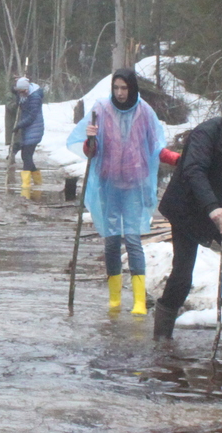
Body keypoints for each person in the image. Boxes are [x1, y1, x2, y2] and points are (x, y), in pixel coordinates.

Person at [153, 104, 222, 343]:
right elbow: (194, 170)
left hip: (215, 207)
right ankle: (162, 336)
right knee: (182, 274)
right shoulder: (205, 134)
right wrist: (212, 206)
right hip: (186, 208)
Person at [67, 69, 165, 316]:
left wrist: (177, 159)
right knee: (111, 241)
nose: (120, 93)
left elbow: (155, 145)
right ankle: (114, 298)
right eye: (116, 88)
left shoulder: (144, 111)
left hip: (133, 184)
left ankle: (139, 301)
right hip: (108, 184)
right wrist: (90, 139)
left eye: (125, 88)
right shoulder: (100, 109)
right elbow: (90, 151)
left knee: (132, 239)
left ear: (132, 88)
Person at [11, 76, 45, 195]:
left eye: (22, 92)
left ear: (27, 90)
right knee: (27, 156)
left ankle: (25, 187)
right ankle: (38, 183)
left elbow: (31, 117)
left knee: (26, 156)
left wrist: (19, 125)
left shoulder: (35, 97)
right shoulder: (25, 94)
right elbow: (18, 99)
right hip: (28, 129)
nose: (21, 94)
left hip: (34, 129)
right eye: (20, 92)